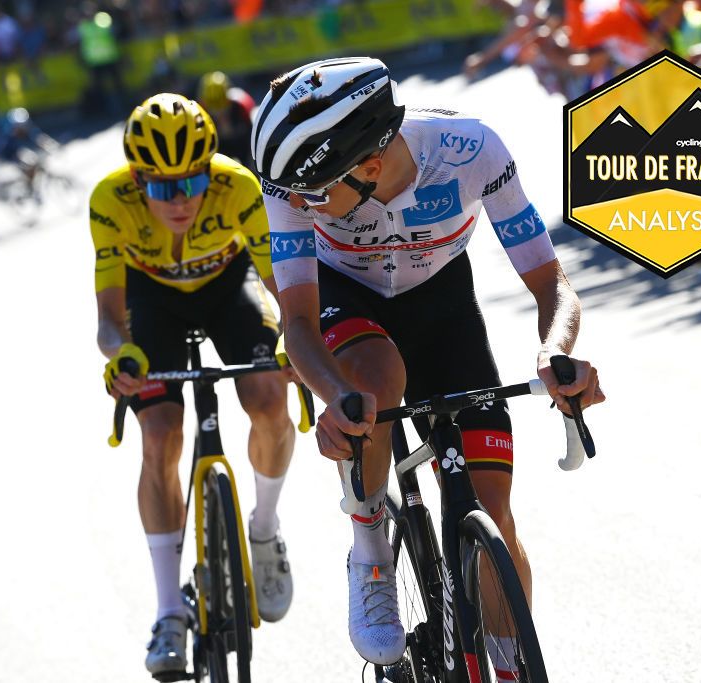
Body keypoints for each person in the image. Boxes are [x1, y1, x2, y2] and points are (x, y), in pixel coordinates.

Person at [251, 57, 605, 671]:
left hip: (444, 305)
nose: (299, 204)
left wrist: (555, 350)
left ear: (367, 164)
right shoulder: (292, 182)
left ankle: (508, 658)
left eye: (314, 193)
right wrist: (334, 395)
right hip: (346, 299)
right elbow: (299, 323)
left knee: (493, 512)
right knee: (374, 379)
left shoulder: (470, 150)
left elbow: (553, 283)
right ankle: (369, 550)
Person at [92, 93, 297, 677]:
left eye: (193, 180)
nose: (180, 200)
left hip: (228, 287)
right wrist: (121, 353)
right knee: (159, 434)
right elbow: (109, 319)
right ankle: (168, 614)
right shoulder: (110, 200)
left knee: (268, 399)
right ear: (137, 182)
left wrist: (293, 340)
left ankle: (263, 530)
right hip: (150, 301)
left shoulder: (237, 186)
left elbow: (281, 285)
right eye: (161, 189)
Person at [196, 71, 256, 168]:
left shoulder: (242, 105)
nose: (219, 114)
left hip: (243, 146)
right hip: (218, 151)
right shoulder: (199, 112)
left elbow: (254, 137)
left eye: (223, 109)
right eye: (214, 110)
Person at [0, 108, 56, 191]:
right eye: (20, 126)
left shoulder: (26, 128)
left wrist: (50, 144)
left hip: (16, 149)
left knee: (34, 162)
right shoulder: (8, 135)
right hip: (7, 151)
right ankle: (29, 187)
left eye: (24, 125)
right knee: (28, 164)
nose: (23, 127)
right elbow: (10, 150)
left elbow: (38, 137)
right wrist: (20, 158)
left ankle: (30, 182)